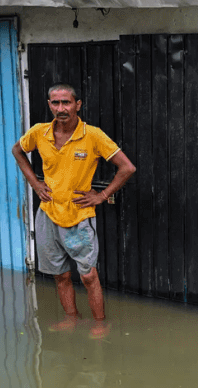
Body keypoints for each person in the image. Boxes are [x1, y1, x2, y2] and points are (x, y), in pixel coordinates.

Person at [11, 83, 136, 337]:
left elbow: (127, 168)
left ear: (78, 105)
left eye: (66, 102)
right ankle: (72, 318)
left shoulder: (93, 135)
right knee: (59, 274)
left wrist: (102, 195)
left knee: (88, 275)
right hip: (47, 214)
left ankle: (100, 324)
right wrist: (35, 184)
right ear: (49, 105)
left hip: (79, 217)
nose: (61, 108)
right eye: (55, 103)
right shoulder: (39, 132)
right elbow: (18, 151)